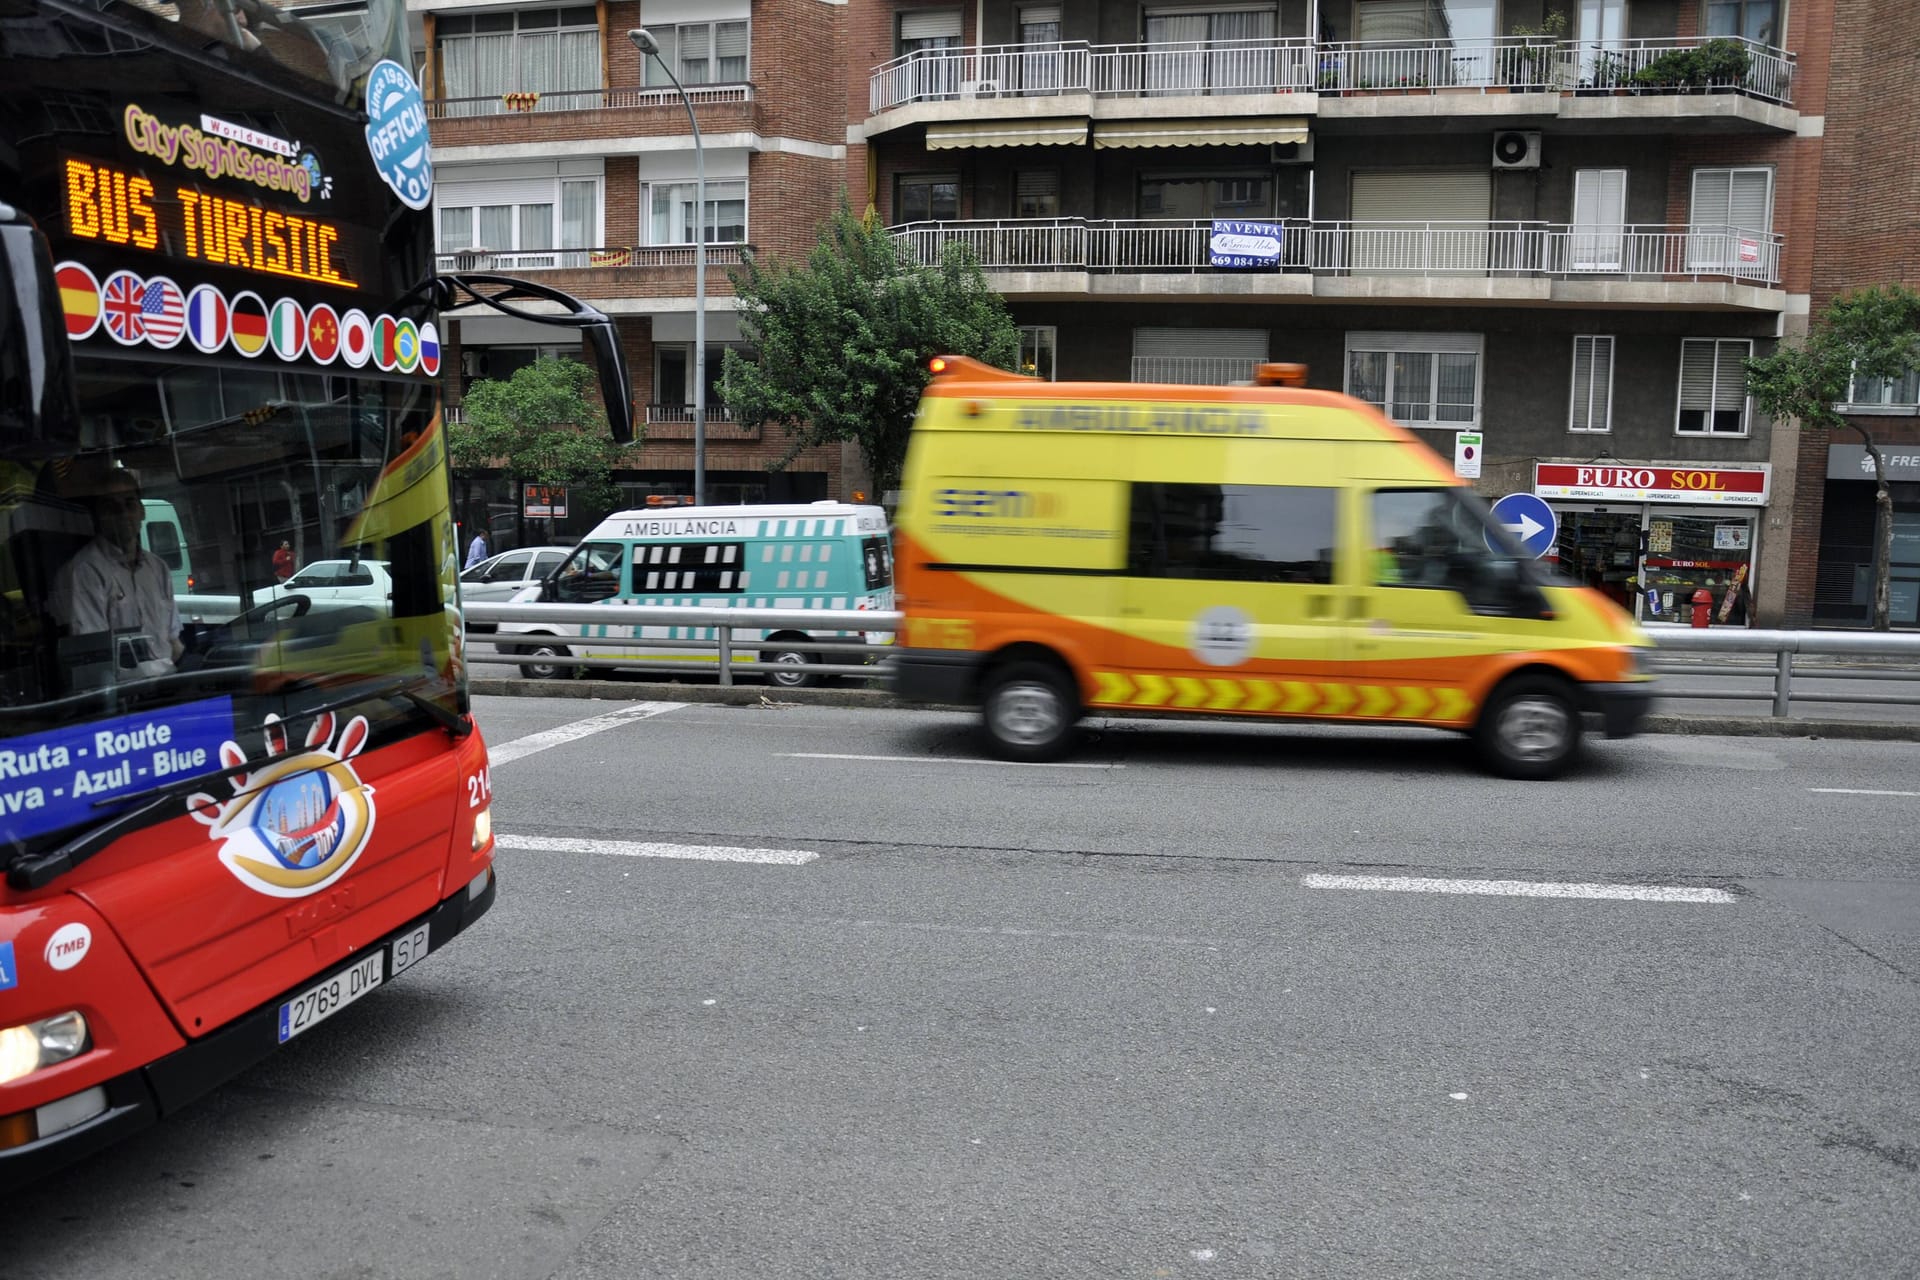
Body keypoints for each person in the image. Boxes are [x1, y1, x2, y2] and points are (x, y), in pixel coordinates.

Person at [50, 467, 181, 675]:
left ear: (141, 511)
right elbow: (95, 661)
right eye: (111, 506)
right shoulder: (84, 572)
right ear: (98, 515)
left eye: (129, 504)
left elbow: (174, 644)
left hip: (166, 686)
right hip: (122, 698)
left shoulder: (158, 568)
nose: (122, 513)